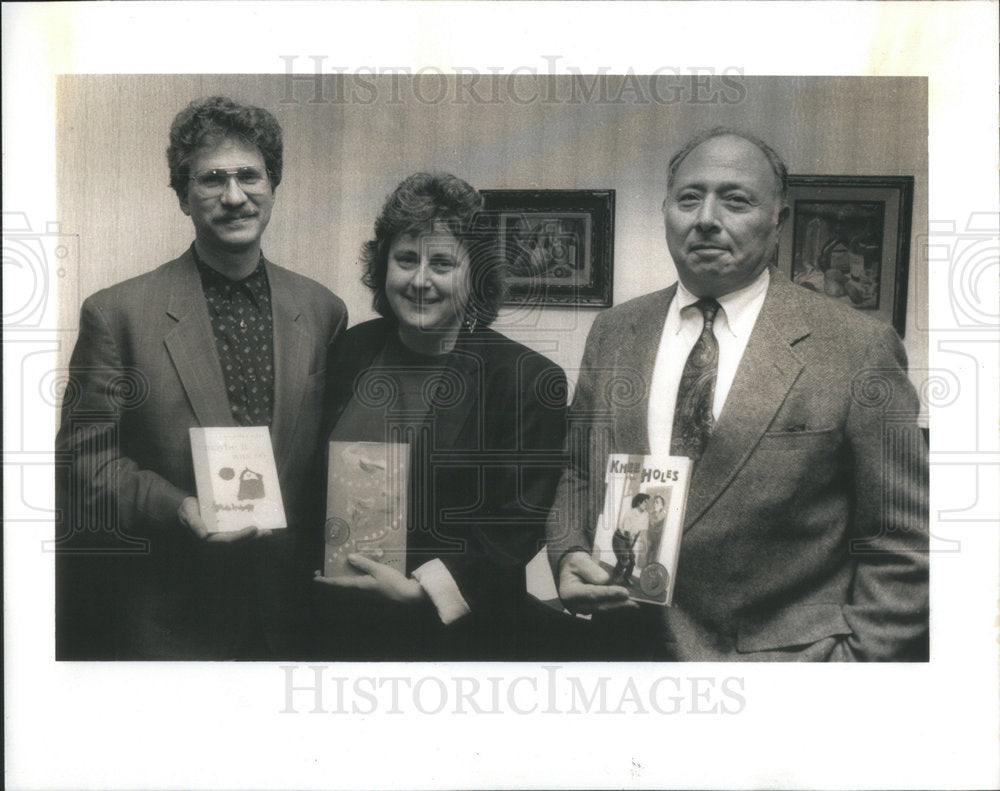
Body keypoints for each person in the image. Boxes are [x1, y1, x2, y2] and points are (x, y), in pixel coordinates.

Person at [546, 128, 929, 661]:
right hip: (621, 654)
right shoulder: (615, 330)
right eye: (689, 197)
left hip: (785, 671)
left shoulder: (857, 348)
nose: (705, 217)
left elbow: (903, 541)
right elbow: (579, 473)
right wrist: (567, 555)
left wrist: (854, 666)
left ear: (779, 220)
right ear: (666, 212)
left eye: (736, 200)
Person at [55, 96, 347, 659]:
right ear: (183, 195)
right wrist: (179, 507)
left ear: (273, 184)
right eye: (212, 179)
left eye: (248, 176)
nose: (234, 196)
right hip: (172, 618)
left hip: (297, 615)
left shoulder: (323, 310)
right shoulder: (117, 314)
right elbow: (82, 461)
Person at [312, 172, 567, 660]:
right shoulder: (348, 351)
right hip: (339, 626)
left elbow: (516, 527)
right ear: (382, 266)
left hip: (460, 639)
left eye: (443, 263)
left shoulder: (527, 380)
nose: (420, 280)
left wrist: (425, 590)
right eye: (406, 259)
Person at [609, 493, 649, 587]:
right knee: (624, 559)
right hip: (620, 538)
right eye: (645, 502)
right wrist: (627, 548)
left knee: (632, 559)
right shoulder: (630, 513)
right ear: (639, 503)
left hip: (629, 539)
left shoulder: (645, 515)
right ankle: (613, 579)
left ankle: (626, 577)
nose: (647, 504)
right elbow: (626, 532)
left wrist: (631, 546)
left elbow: (639, 532)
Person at [644, 494, 668, 567]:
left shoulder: (663, 515)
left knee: (655, 556)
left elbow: (656, 521)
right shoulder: (651, 513)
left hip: (658, 539)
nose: (654, 504)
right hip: (650, 538)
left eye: (657, 502)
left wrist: (655, 513)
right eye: (654, 502)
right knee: (648, 554)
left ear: (661, 506)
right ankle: (646, 568)